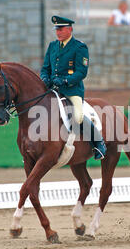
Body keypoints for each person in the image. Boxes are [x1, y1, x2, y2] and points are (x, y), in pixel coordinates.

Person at [40, 15, 107, 160]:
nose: (58, 32)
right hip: (53, 90)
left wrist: (64, 81)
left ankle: (98, 142)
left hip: (71, 90)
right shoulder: (52, 46)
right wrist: (45, 78)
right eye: (56, 29)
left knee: (78, 116)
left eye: (61, 29)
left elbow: (81, 72)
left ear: (70, 29)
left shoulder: (79, 47)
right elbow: (45, 68)